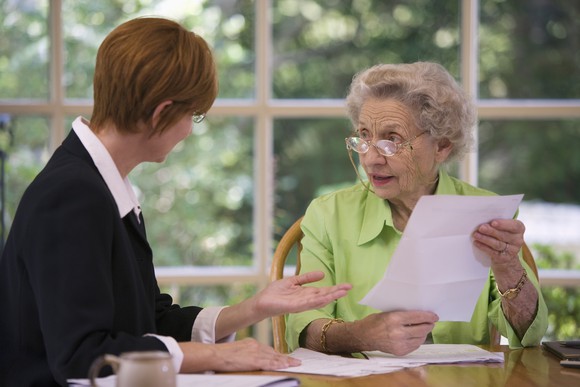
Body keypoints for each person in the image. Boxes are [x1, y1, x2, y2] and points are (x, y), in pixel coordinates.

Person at [0, 17, 352, 386]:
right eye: (193, 115)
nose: (189, 129)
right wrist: (216, 355)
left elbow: (152, 321)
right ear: (161, 112)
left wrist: (252, 308)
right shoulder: (73, 195)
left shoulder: (100, 184)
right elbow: (81, 356)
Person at [285, 61, 548, 356]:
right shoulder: (328, 215)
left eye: (391, 140)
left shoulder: (485, 213)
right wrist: (360, 335)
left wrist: (508, 267)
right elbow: (302, 328)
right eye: (364, 136)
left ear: (443, 146)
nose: (370, 159)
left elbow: (529, 337)